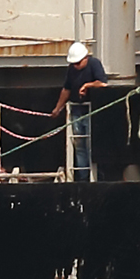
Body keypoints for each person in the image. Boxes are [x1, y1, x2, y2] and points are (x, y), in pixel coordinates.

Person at [51, 42, 107, 181]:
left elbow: (103, 83)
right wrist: (58, 108)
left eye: (77, 63)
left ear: (85, 58)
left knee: (89, 143)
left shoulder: (94, 64)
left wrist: (87, 85)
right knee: (79, 144)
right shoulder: (71, 70)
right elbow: (67, 89)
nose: (75, 66)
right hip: (76, 108)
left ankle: (95, 175)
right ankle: (83, 176)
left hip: (91, 110)